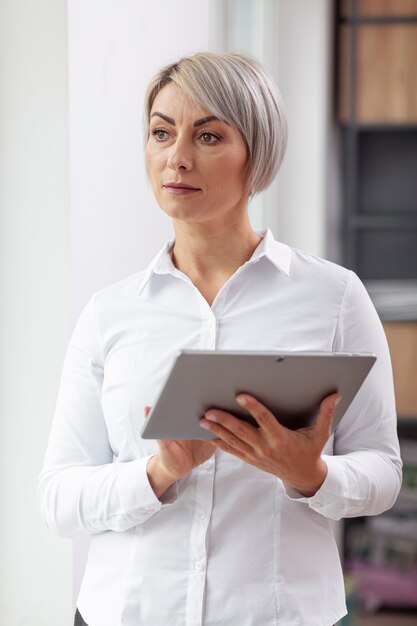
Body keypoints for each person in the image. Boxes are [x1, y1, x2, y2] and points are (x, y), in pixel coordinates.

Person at [38, 52, 402, 626]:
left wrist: (311, 475)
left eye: (208, 135)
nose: (176, 157)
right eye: (162, 132)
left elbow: (382, 472)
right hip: (128, 612)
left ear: (256, 154)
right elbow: (59, 498)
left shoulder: (334, 297)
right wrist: (157, 474)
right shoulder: (110, 314)